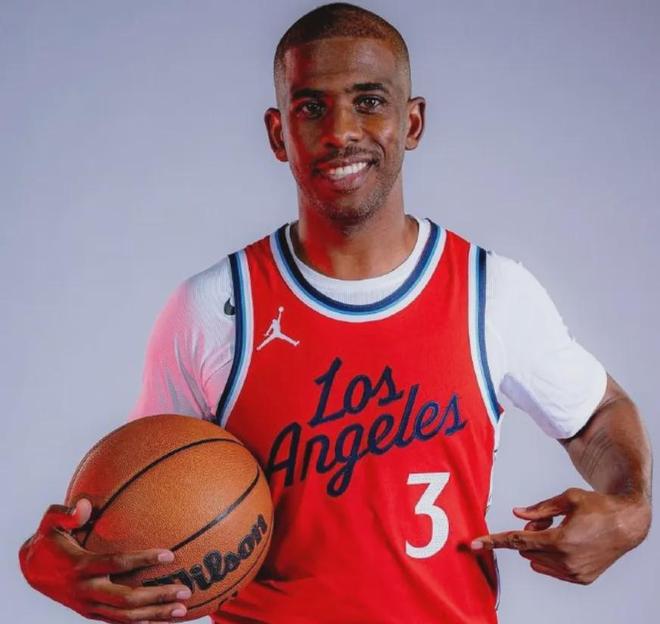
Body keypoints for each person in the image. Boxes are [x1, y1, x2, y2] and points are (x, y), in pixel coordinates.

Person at [19, 3, 652, 623]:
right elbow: (138, 506)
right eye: (311, 107)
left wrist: (631, 507)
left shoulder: (491, 292)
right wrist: (46, 562)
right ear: (278, 134)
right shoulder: (214, 309)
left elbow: (597, 415)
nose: (340, 130)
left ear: (412, 122)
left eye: (369, 101)